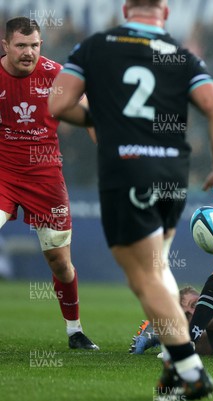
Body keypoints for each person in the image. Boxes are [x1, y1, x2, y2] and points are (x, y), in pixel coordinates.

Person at [48, 1, 213, 399]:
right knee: (159, 267)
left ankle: (191, 371)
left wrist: (105, 121)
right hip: (172, 174)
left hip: (127, 170)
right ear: (164, 13)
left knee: (143, 277)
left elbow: (58, 104)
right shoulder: (182, 55)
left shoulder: (96, 47)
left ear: (125, 8)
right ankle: (171, 370)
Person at [0, 17, 98, 350]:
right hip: (3, 171)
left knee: (60, 262)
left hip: (45, 174)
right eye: (21, 45)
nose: (28, 52)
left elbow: (88, 113)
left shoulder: (55, 74)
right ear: (5, 46)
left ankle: (75, 330)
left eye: (34, 45)